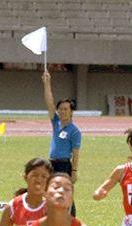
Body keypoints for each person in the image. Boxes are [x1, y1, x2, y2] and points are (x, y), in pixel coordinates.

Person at [42, 68, 81, 216]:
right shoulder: (56, 123)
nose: (62, 111)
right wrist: (47, 83)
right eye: (61, 109)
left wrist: (74, 172)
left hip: (64, 165)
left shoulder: (74, 131)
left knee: (65, 192)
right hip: (51, 163)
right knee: (49, 191)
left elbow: (76, 154)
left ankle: (71, 218)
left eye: (66, 109)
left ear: (71, 112)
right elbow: (49, 102)